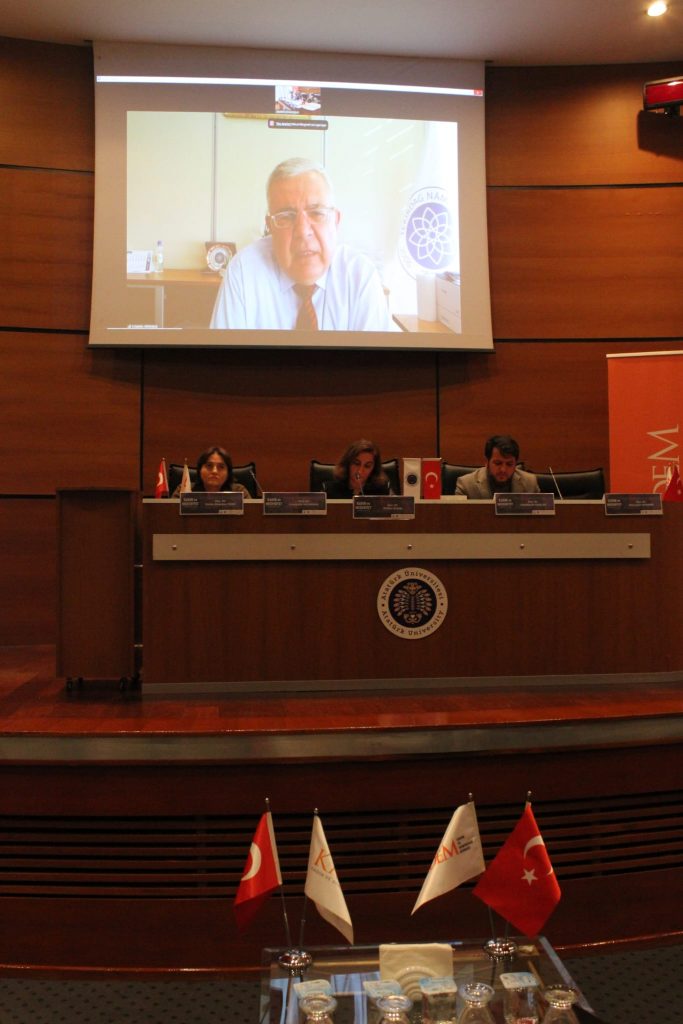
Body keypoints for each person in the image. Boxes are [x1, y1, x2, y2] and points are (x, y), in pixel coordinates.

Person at [210, 157, 393, 331]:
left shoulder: (359, 275)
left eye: (317, 213)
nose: (303, 231)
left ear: (336, 221)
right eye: (286, 217)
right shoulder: (244, 271)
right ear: (270, 227)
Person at [455, 435, 540, 498]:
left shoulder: (530, 483)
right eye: (498, 463)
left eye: (509, 464)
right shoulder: (466, 485)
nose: (503, 469)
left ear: (515, 464)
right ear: (487, 462)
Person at [323, 439, 392, 499]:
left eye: (367, 466)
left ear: (374, 468)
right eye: (356, 463)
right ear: (348, 463)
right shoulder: (329, 491)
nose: (360, 471)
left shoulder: (383, 493)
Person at [174, 446, 249, 496]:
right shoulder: (184, 490)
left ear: (228, 472)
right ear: (200, 470)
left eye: (221, 467)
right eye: (209, 466)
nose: (214, 471)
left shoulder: (239, 492)